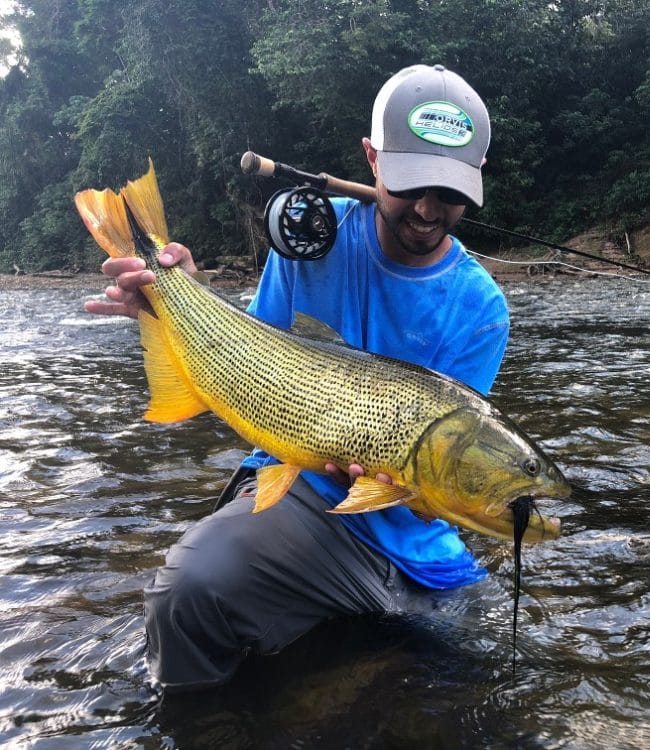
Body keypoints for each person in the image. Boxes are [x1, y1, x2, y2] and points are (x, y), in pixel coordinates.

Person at [84, 64, 509, 691]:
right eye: (412, 183)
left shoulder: (480, 309)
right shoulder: (311, 236)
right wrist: (177, 301)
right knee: (185, 598)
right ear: (372, 157)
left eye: (448, 195)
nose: (426, 209)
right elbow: (253, 363)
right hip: (304, 489)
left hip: (411, 532)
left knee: (485, 687)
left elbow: (443, 478)